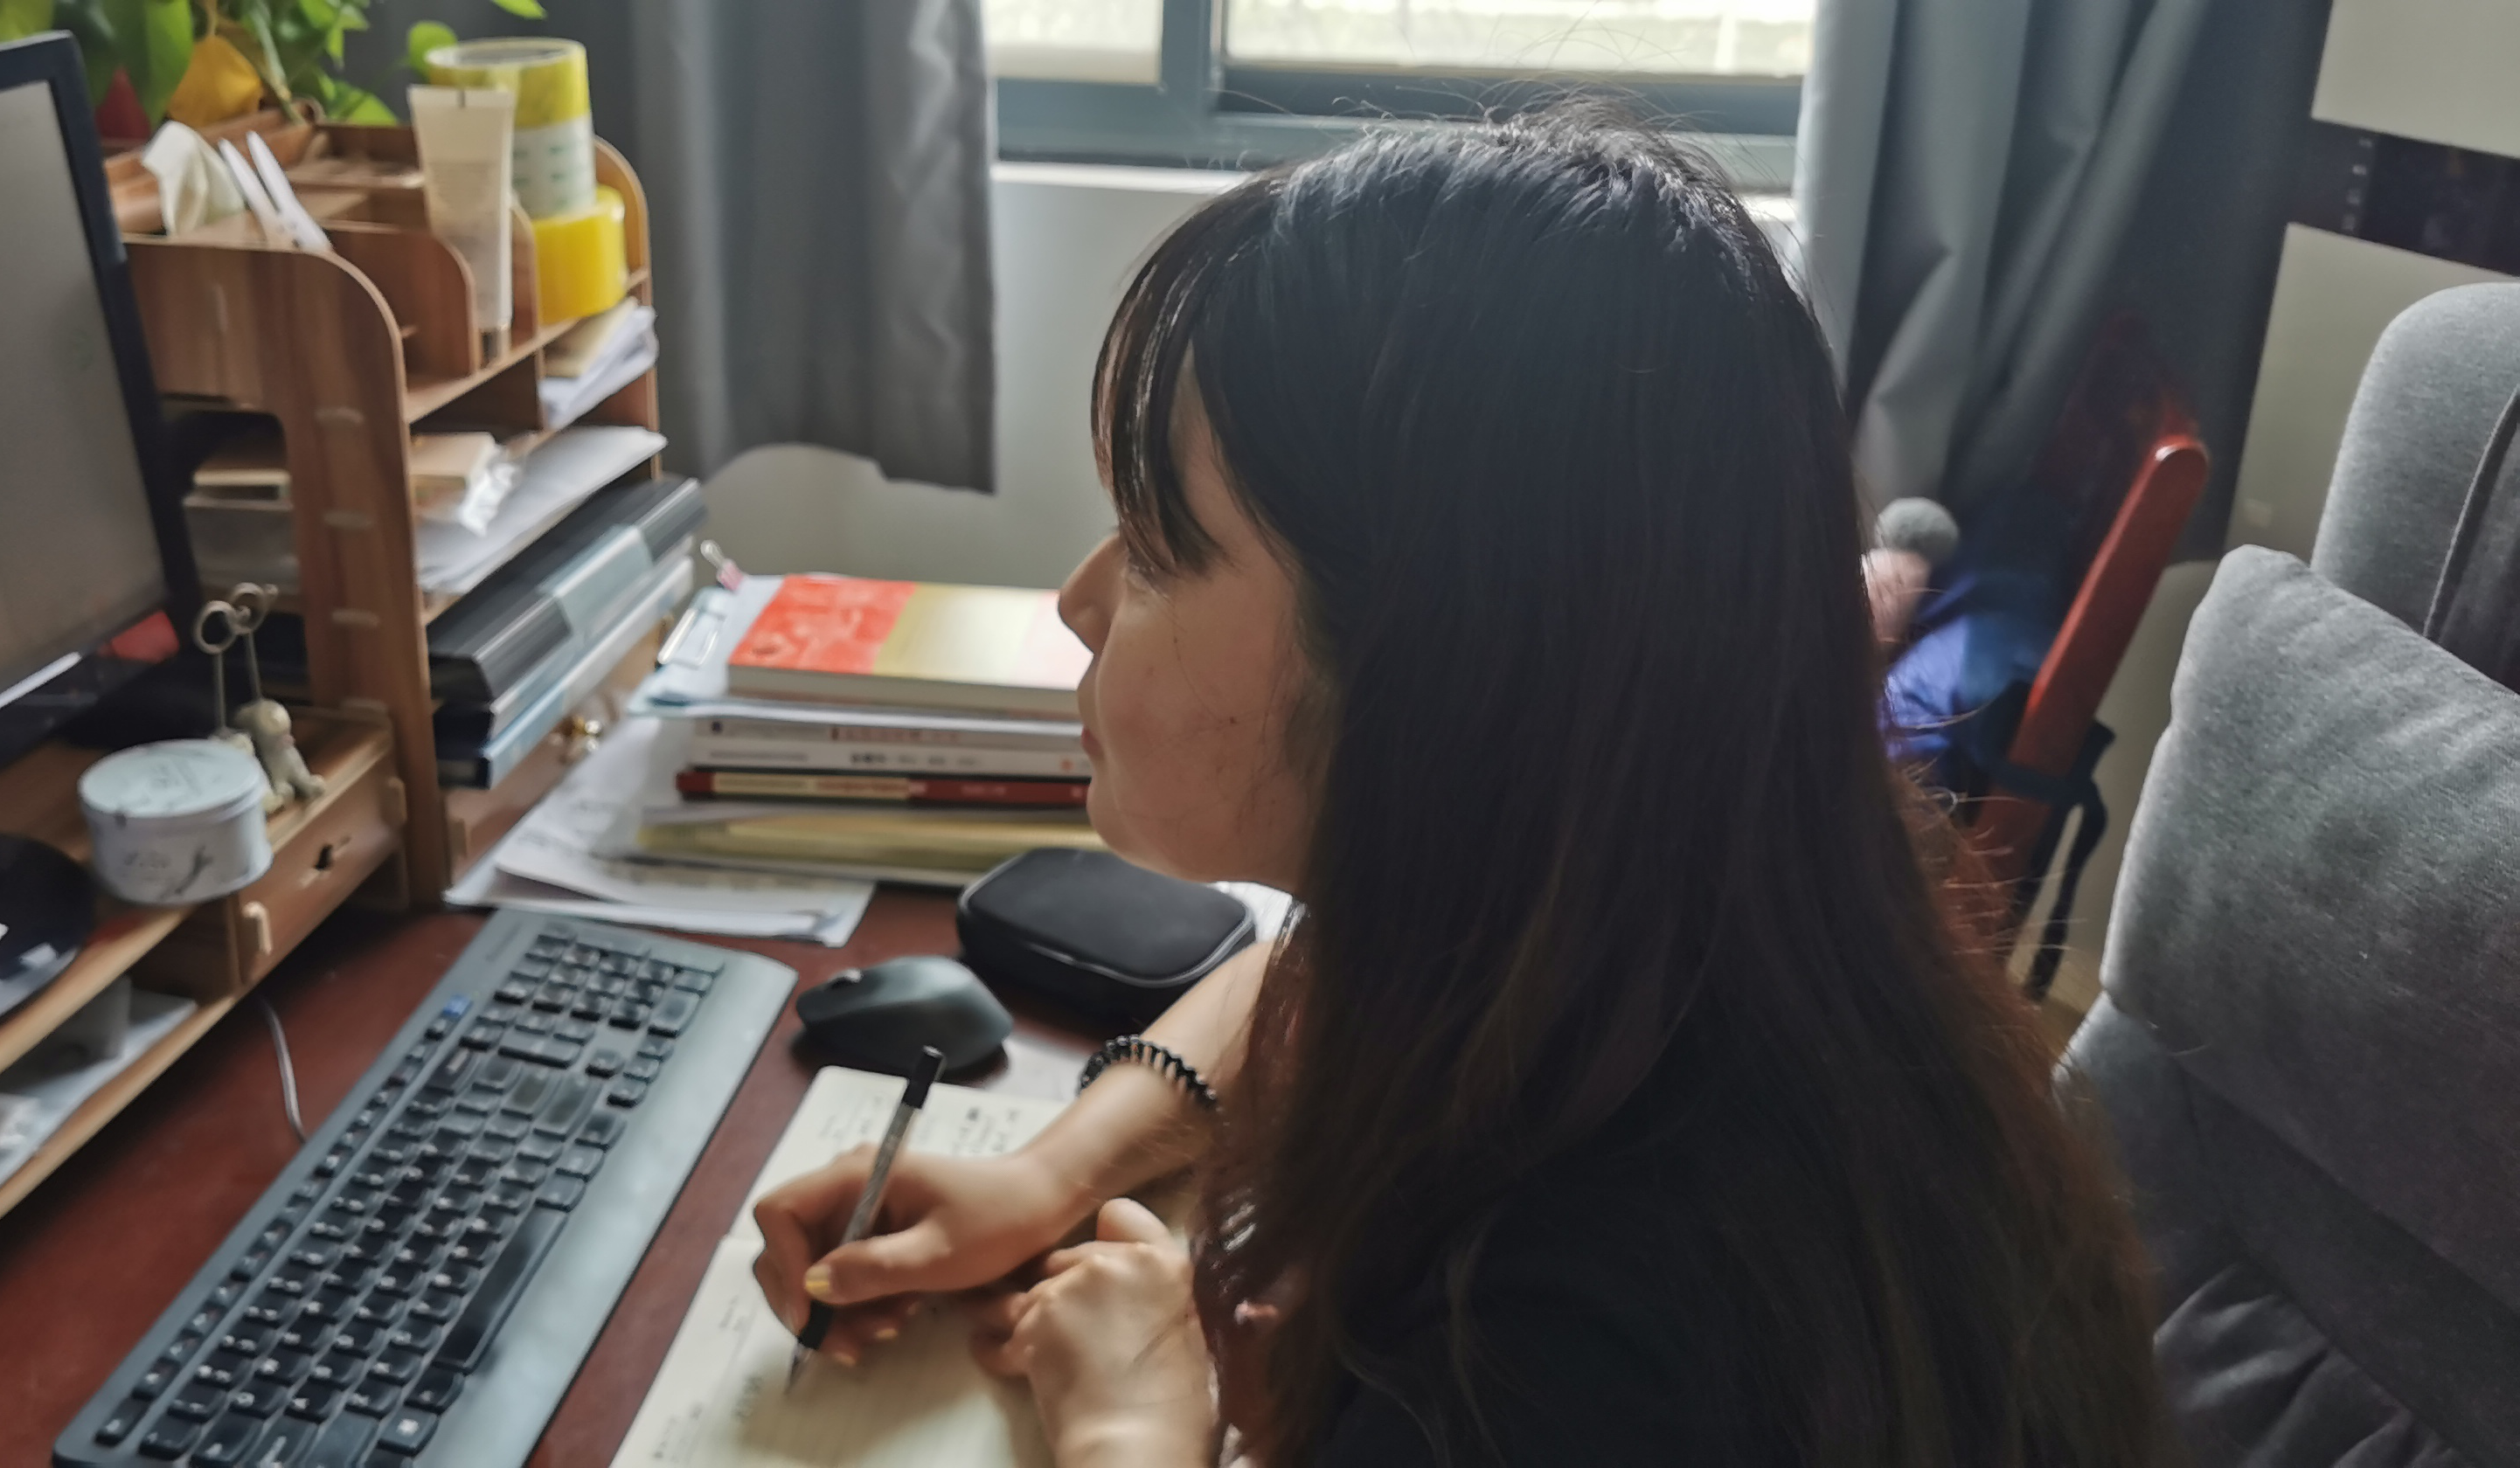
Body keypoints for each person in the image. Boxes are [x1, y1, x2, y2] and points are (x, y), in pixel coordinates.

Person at [747, 112, 2169, 1468]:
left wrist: (1134, 1423)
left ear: (1440, 674)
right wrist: (1049, 1175)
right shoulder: (1649, 912)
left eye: (1159, 547)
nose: (1078, 599)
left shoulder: (1560, 1369)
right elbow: (1318, 969)